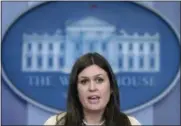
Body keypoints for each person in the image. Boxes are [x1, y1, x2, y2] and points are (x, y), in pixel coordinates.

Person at [44, 52, 141, 126]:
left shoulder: (130, 124)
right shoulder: (55, 123)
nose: (92, 88)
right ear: (76, 90)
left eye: (99, 80)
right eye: (84, 81)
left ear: (111, 87)